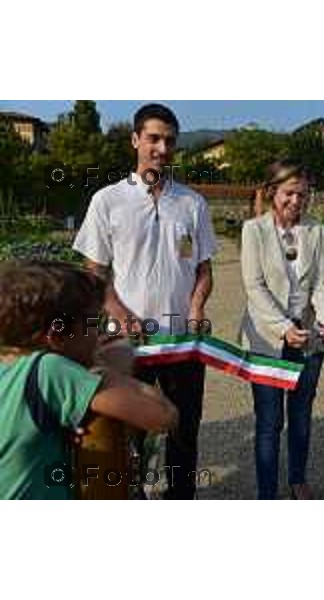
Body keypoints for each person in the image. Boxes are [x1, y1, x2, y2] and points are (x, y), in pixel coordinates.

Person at [73, 103, 217, 499]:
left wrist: (196, 307)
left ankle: (180, 497)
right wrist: (119, 314)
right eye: (153, 138)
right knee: (127, 433)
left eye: (169, 140)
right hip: (126, 344)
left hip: (181, 341)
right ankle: (131, 499)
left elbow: (204, 270)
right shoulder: (107, 201)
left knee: (184, 430)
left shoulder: (192, 203)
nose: (161, 148)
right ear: (136, 140)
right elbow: (93, 273)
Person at [0, 261, 178, 500]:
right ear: (57, 335)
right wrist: (111, 367)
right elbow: (162, 415)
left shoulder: (9, 368)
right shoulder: (49, 370)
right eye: (94, 323)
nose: (101, 333)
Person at [239, 160, 324, 499]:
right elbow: (254, 287)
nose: (297, 201)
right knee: (269, 420)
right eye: (289, 194)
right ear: (271, 193)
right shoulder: (254, 231)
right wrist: (282, 328)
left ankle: (297, 478)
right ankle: (267, 491)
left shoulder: (317, 230)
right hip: (267, 337)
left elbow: (322, 284)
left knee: (301, 414)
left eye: (304, 195)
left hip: (308, 338)